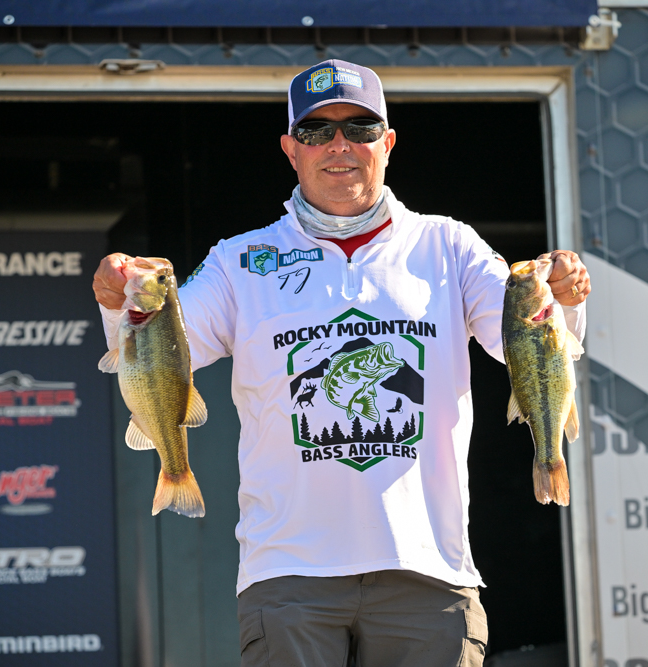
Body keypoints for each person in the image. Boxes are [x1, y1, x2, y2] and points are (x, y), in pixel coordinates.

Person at [93, 59, 591, 667]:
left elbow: (523, 340)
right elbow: (163, 352)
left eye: (359, 128)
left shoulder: (449, 245)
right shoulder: (238, 261)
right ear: (290, 149)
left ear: (388, 142)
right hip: (287, 572)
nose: (339, 145)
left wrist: (562, 298)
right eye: (315, 130)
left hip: (427, 567)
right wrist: (119, 302)